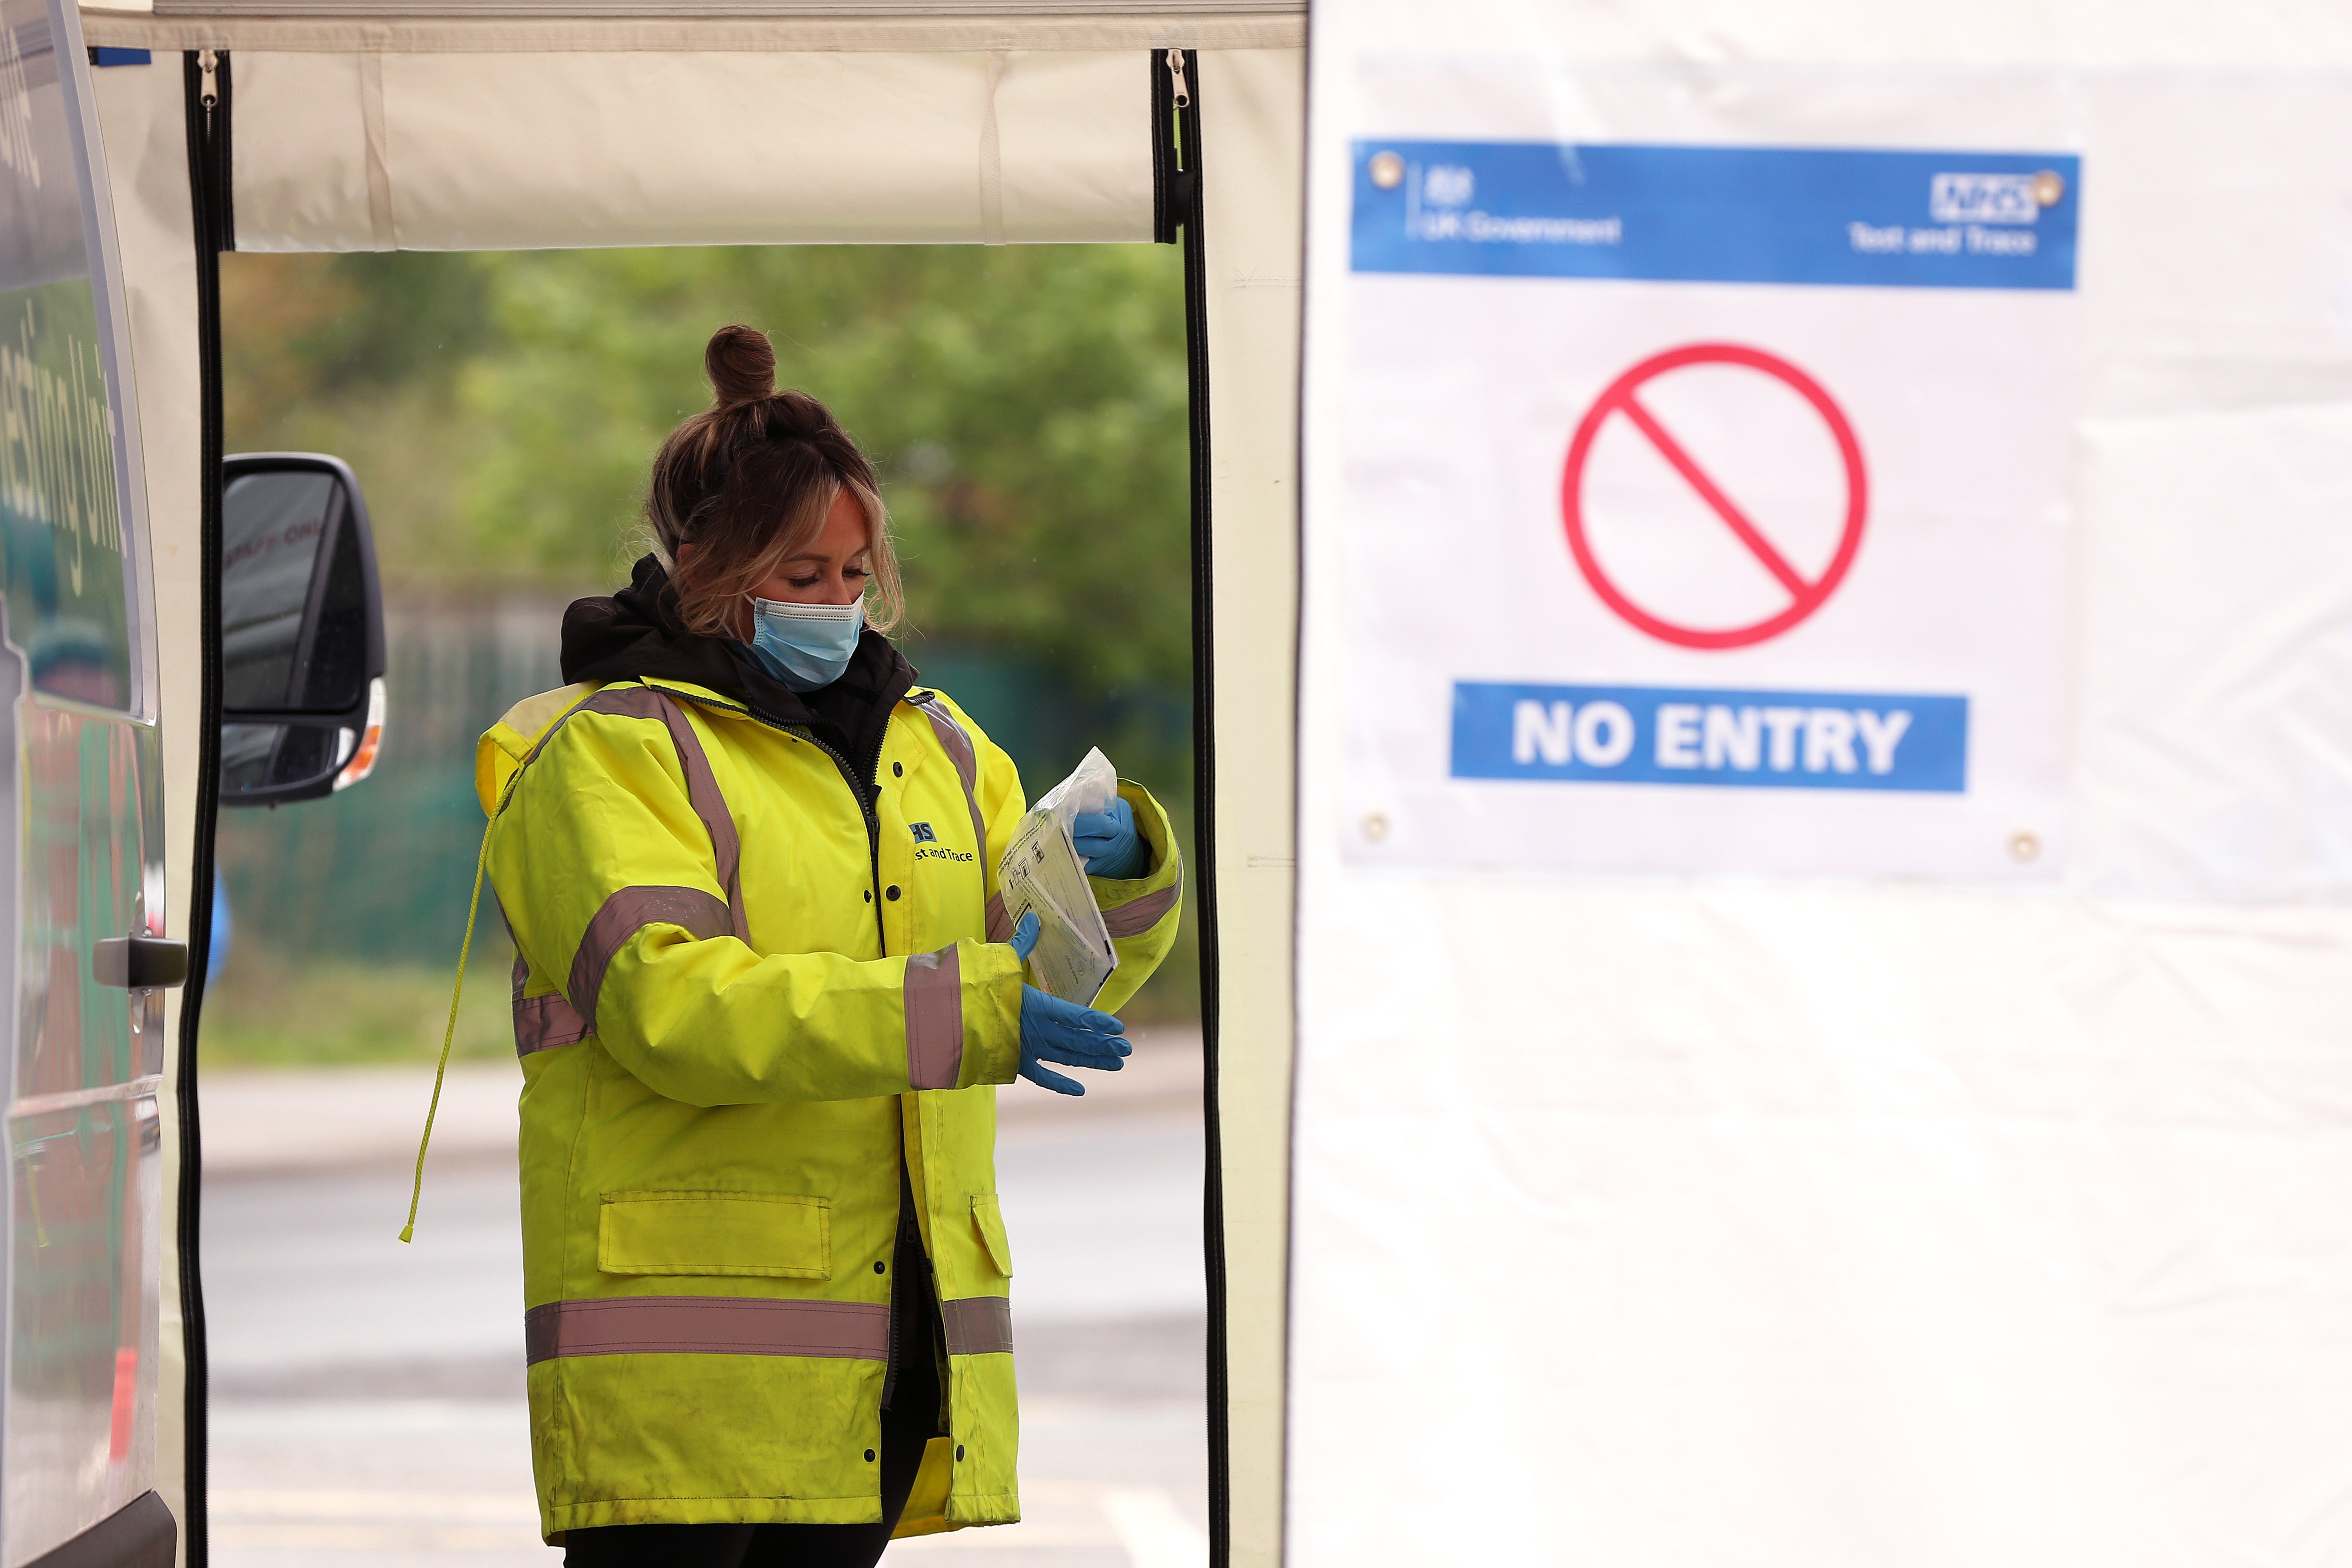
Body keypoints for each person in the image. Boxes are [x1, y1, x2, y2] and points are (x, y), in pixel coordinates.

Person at [477, 324, 1186, 1566]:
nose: (840, 607)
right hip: (686, 1376)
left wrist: (1119, 874)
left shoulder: (941, 744)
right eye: (803, 576)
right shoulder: (612, 752)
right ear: (707, 562)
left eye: (856, 573)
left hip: (887, 1340)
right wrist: (974, 1014)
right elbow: (677, 1005)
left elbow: (1030, 963)